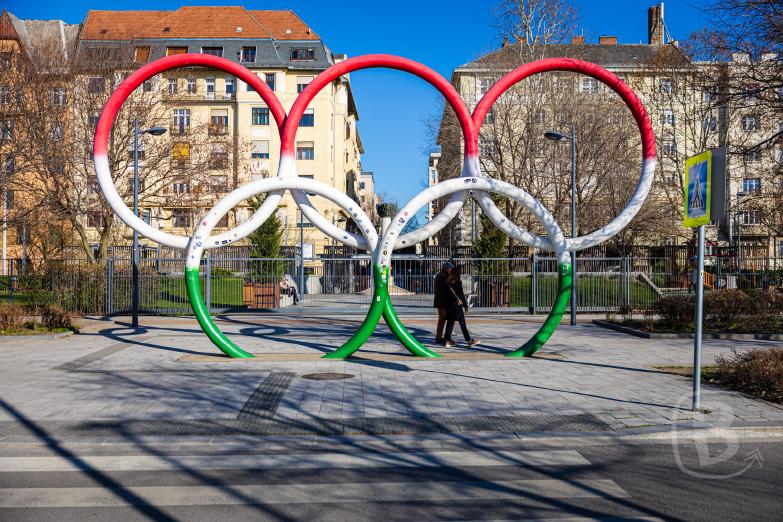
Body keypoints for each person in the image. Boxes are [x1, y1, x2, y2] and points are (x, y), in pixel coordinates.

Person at [443, 265, 480, 347]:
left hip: (449, 307)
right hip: (457, 307)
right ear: (457, 274)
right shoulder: (458, 283)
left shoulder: (447, 283)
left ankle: (447, 341)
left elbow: (444, 296)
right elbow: (461, 296)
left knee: (450, 323)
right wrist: (466, 306)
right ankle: (469, 340)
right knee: (462, 323)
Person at [433, 261, 452, 345]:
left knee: (442, 320)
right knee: (446, 320)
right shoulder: (443, 276)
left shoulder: (439, 275)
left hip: (441, 302)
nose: (451, 270)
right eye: (450, 269)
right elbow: (447, 289)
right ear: (446, 269)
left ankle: (439, 337)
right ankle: (443, 338)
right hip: (443, 302)